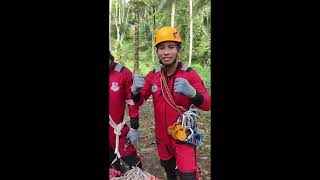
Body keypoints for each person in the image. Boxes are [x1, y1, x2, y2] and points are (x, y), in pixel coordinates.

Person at [130, 27, 211, 180]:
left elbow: (207, 105)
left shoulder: (189, 74)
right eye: (161, 48)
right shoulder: (153, 76)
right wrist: (134, 91)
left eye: (171, 47)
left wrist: (193, 93)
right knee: (170, 172)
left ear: (178, 50)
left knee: (188, 176)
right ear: (157, 51)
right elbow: (140, 101)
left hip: (183, 135)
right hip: (162, 138)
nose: (166, 52)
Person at [108, 50, 142, 173]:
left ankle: (138, 174)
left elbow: (132, 102)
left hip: (117, 128)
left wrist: (134, 127)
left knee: (131, 158)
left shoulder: (123, 73)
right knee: (112, 162)